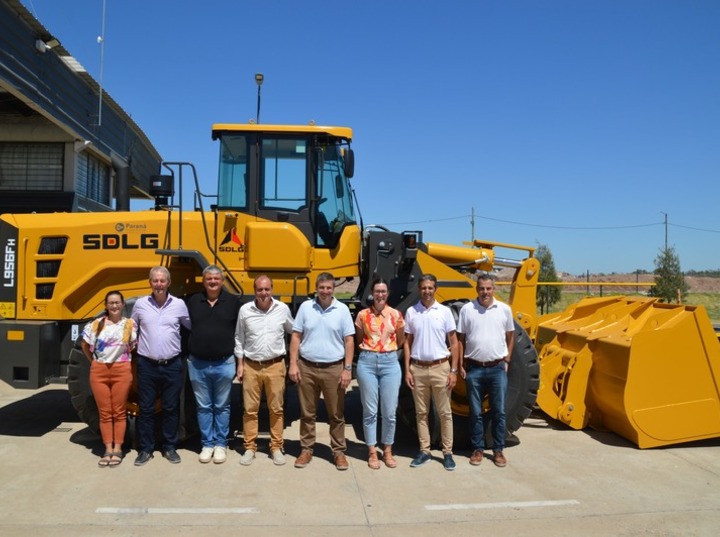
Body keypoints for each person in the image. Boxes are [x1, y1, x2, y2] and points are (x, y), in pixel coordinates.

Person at [288, 272, 355, 470]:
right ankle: (306, 449)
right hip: (307, 367)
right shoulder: (306, 308)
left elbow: (349, 341)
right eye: (322, 287)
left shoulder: (342, 310)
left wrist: (347, 369)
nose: (325, 291)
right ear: (316, 288)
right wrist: (293, 363)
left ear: (334, 289)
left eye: (329, 288)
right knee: (307, 413)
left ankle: (339, 452)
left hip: (334, 369)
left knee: (336, 414)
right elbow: (296, 337)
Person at [131, 266, 191, 466]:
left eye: (162, 281)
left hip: (172, 364)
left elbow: (189, 326)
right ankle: (145, 449)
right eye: (155, 281)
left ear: (168, 283)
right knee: (146, 409)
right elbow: (131, 329)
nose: (159, 284)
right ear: (150, 282)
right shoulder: (140, 305)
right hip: (147, 364)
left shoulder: (179, 305)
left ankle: (169, 447)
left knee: (171, 408)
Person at [234, 275, 294, 466]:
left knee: (276, 409)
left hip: (276, 366)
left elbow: (294, 331)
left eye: (267, 289)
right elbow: (239, 338)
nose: (263, 293)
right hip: (251, 365)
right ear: (254, 290)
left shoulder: (282, 309)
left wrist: (295, 360)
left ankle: (276, 447)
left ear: (272, 289)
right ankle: (250, 448)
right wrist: (240, 364)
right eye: (260, 289)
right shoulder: (245, 310)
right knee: (250, 410)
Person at [185, 265, 241, 464]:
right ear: (203, 280)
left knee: (222, 406)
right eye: (209, 278)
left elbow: (240, 333)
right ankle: (207, 444)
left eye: (216, 279)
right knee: (203, 407)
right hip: (197, 363)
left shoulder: (233, 302)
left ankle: (220, 444)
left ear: (222, 281)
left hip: (224, 362)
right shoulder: (192, 301)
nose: (213, 282)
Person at [458, 272, 515, 468]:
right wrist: (461, 364)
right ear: (477, 289)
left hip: (497, 368)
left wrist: (507, 360)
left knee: (499, 411)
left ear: (494, 289)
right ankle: (478, 449)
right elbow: (460, 338)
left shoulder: (504, 310)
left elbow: (511, 335)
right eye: (482, 288)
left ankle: (498, 450)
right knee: (475, 412)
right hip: (474, 368)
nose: (485, 292)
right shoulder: (467, 310)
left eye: (488, 288)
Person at [403, 273, 459, 471]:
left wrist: (453, 371)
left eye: (430, 287)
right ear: (420, 289)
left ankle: (447, 453)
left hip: (440, 368)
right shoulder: (411, 312)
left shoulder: (444, 312)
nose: (427, 291)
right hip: (418, 369)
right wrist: (408, 369)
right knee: (421, 413)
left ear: (436, 289)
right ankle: (425, 451)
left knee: (445, 413)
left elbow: (454, 342)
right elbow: (407, 343)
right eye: (424, 287)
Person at [81, 290, 136, 467]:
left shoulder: (129, 325)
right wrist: (95, 363)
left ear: (122, 305)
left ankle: (118, 449)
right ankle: (107, 449)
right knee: (104, 413)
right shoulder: (95, 325)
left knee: (119, 411)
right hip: (100, 370)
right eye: (111, 303)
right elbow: (84, 345)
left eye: (117, 302)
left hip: (122, 370)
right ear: (106, 305)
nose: (114, 305)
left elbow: (133, 347)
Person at [355, 277, 405, 469]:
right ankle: (372, 451)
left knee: (389, 411)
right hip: (367, 362)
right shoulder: (362, 315)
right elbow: (360, 339)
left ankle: (388, 450)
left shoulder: (396, 315)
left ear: (388, 293)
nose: (380, 295)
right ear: (372, 293)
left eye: (383, 291)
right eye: (377, 291)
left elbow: (400, 340)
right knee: (370, 411)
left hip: (389, 363)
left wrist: (385, 350)